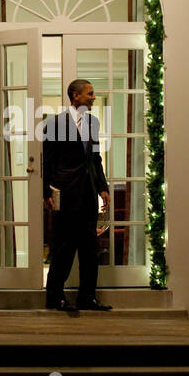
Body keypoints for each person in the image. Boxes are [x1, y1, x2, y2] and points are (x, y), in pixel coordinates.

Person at [42, 79, 112, 312]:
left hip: (89, 193)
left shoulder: (93, 122)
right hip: (66, 193)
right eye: (89, 94)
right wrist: (46, 193)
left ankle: (87, 298)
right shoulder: (55, 124)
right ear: (75, 96)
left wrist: (103, 187)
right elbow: (47, 163)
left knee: (89, 248)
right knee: (63, 247)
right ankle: (54, 298)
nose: (93, 97)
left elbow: (95, 158)